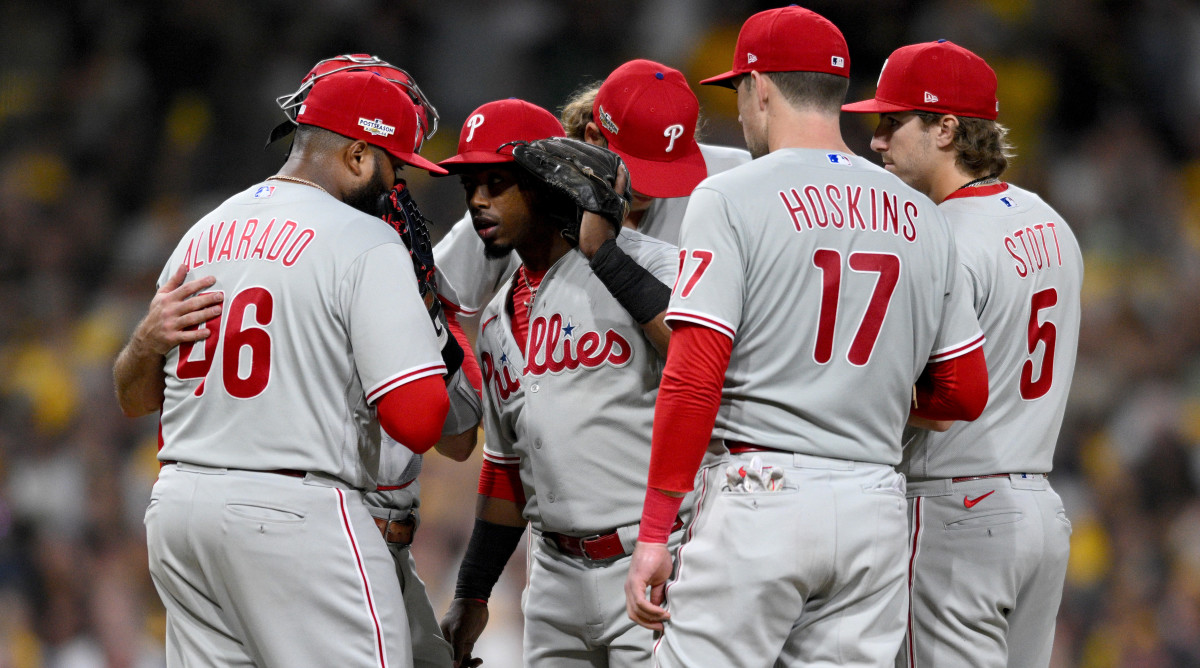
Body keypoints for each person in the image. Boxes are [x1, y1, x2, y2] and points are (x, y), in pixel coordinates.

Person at [622, 7, 991, 667]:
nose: (739, 109)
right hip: (874, 502)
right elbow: (963, 392)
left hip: (762, 490)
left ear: (760, 87)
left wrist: (654, 532)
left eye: (738, 90)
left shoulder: (729, 195)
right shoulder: (924, 215)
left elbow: (693, 373)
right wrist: (863, 393)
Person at [117, 55, 481, 668]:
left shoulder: (201, 231)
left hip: (180, 513)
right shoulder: (365, 241)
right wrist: (426, 322)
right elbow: (421, 423)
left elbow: (133, 399)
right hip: (293, 519)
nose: (399, 187)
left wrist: (142, 345)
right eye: (395, 166)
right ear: (359, 156)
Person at [842, 40, 1082, 668]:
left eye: (893, 122)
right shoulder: (1050, 222)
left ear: (947, 128)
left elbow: (943, 395)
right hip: (1040, 513)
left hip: (957, 510)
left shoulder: (937, 236)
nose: (877, 140)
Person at [434, 103, 696, 668]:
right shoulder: (498, 315)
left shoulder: (651, 266)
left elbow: (698, 363)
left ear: (548, 183)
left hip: (656, 559)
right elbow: (505, 469)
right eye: (470, 183)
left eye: (497, 182)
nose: (477, 199)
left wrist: (605, 257)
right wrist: (472, 593)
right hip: (552, 575)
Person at [432, 59, 750, 321]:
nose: (652, 188)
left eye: (668, 167)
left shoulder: (734, 177)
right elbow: (437, 298)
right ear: (594, 137)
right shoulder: (529, 198)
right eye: (638, 166)